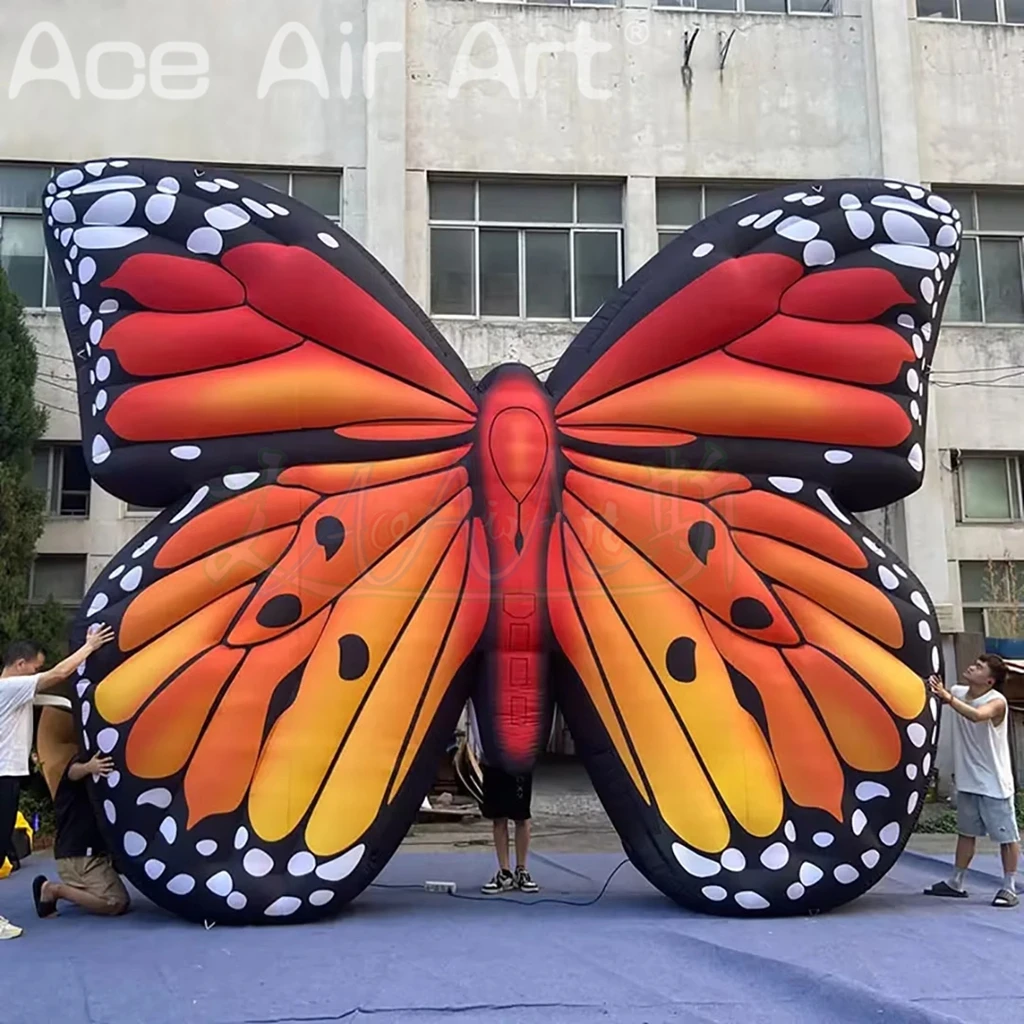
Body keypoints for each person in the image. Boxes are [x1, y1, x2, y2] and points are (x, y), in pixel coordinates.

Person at [0, 625, 115, 940]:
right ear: (21, 665)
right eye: (36, 666)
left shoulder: (12, 695)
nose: (38, 671)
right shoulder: (10, 688)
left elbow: (54, 697)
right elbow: (59, 674)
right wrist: (90, 646)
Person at [924, 654, 1020, 908]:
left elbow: (978, 715)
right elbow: (940, 697)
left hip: (994, 784)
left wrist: (948, 698)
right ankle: (956, 882)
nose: (971, 667)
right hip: (968, 781)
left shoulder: (996, 701)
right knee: (966, 833)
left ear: (989, 680)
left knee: (1006, 837)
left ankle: (1009, 887)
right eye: (974, 663)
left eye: (979, 667)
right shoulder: (957, 691)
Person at [32, 752, 130, 919]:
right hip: (78, 856)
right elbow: (72, 772)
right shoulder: (82, 762)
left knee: (111, 893)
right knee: (116, 901)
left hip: (85, 855)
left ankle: (75, 889)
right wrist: (89, 767)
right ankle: (53, 890)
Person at [467, 702, 539, 895]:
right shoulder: (483, 686)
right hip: (493, 757)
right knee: (498, 817)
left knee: (521, 816)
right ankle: (505, 872)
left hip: (519, 754)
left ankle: (521, 870)